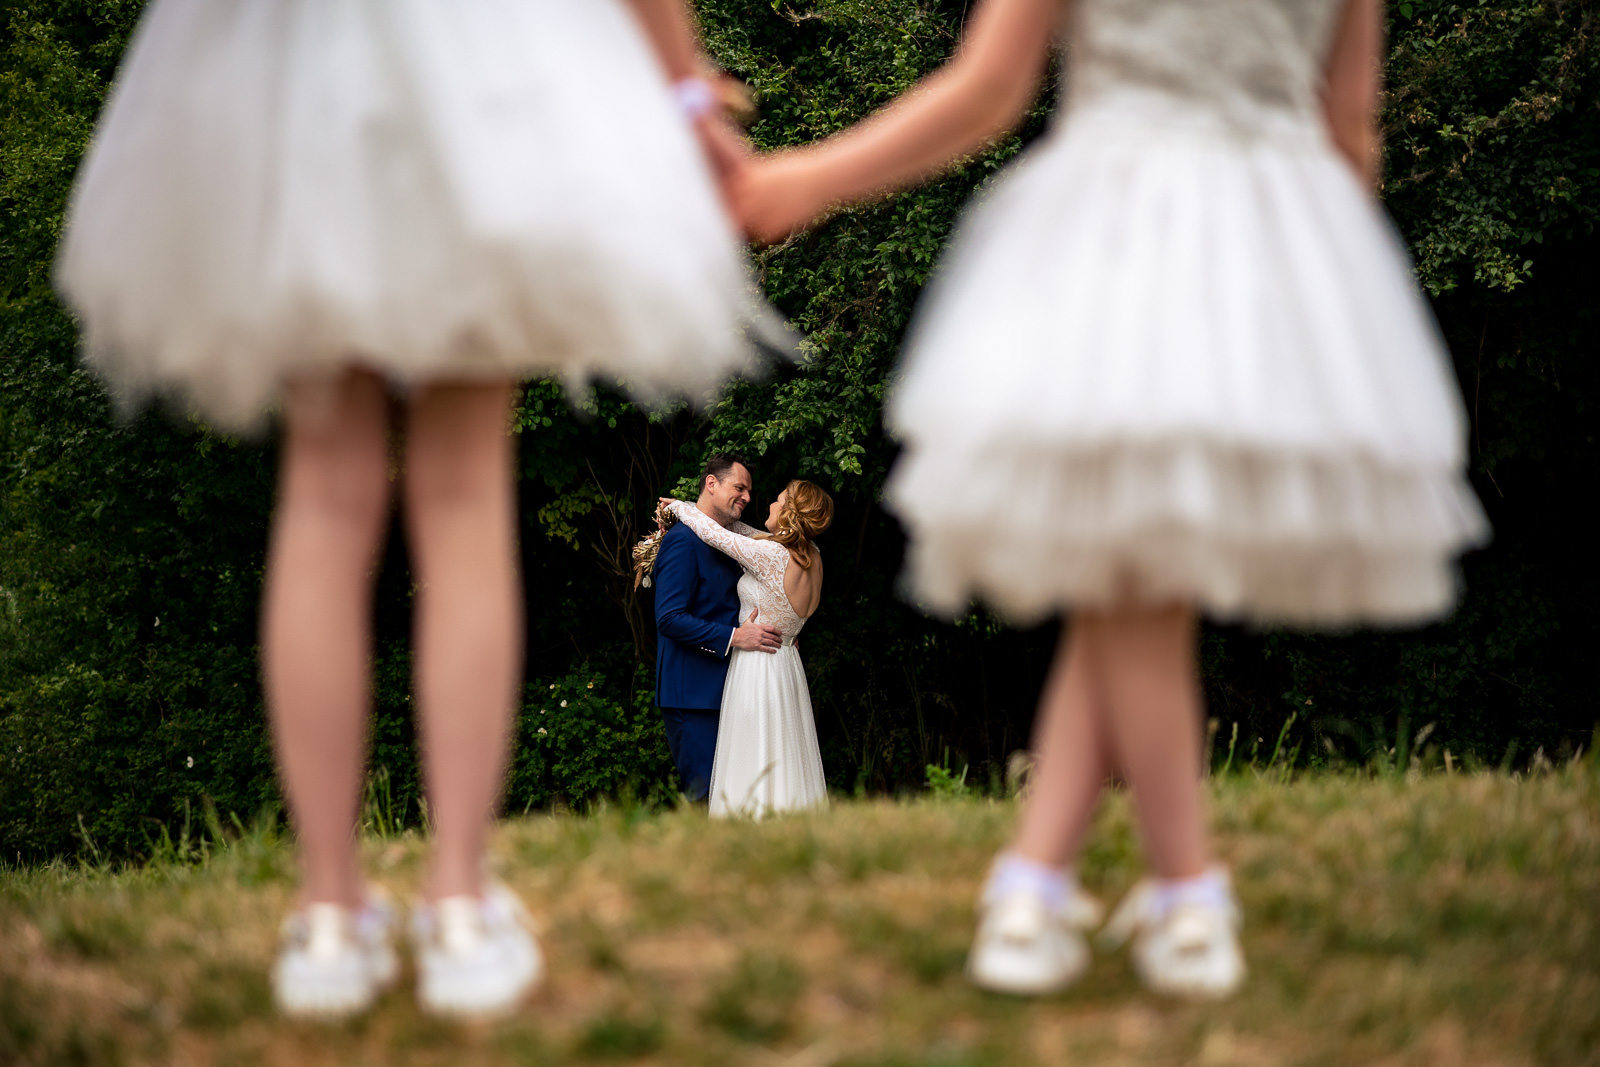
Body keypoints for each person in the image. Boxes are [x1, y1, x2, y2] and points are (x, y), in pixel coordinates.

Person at [732, 0, 1486, 999]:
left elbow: (989, 90)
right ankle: (1062, 884)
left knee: (1134, 584)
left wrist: (806, 176)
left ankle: (1161, 894)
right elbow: (1348, 138)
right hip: (1271, 250)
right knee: (1133, 580)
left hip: (1114, 243)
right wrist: (1322, 319)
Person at [55, 0, 766, 1020]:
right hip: (478, 55)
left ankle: (330, 914)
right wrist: (687, 90)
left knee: (324, 490)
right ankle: (460, 902)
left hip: (294, 58)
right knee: (464, 489)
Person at [663, 479, 833, 817]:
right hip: (787, 666)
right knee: (785, 753)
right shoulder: (814, 558)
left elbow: (718, 537)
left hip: (758, 667)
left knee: (753, 753)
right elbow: (746, 532)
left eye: (778, 499)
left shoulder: (772, 555)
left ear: (788, 513)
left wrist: (678, 508)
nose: (769, 504)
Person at [653, 453, 784, 800]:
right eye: (739, 487)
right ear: (711, 483)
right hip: (693, 694)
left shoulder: (727, 541)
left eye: (749, 491)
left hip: (732, 687)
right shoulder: (682, 541)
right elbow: (669, 618)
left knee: (736, 797)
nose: (747, 497)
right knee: (705, 797)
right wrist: (735, 637)